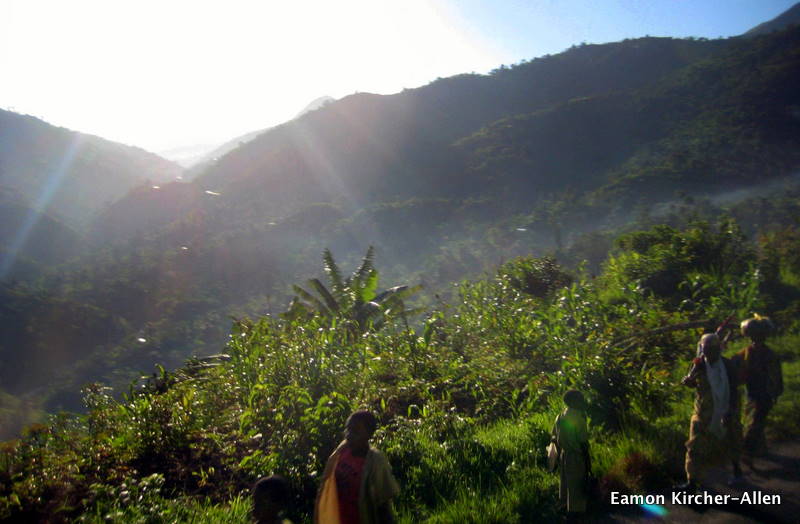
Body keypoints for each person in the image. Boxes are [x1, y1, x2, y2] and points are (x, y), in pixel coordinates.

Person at [678, 333, 742, 492]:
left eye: (712, 349)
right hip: (702, 412)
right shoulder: (698, 365)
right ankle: (692, 481)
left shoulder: (727, 366)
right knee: (694, 446)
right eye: (705, 349)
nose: (708, 353)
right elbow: (691, 382)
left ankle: (736, 471)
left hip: (725, 410)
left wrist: (731, 411)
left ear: (719, 349)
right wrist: (688, 382)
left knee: (731, 442)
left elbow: (734, 391)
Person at [314, 410, 400, 524]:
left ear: (369, 434)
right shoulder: (340, 453)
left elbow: (383, 505)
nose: (349, 435)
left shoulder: (376, 461)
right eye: (348, 429)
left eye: (355, 431)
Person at [735, 316, 783, 468]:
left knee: (755, 422)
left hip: (761, 392)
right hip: (756, 392)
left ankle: (750, 452)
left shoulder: (762, 354)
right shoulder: (752, 353)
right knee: (756, 421)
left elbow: (775, 376)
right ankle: (754, 451)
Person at [551, 389, 591, 517]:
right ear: (575, 401)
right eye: (580, 399)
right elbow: (583, 442)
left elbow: (554, 437)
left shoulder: (560, 415)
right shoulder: (579, 417)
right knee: (577, 487)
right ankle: (575, 514)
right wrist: (587, 461)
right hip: (576, 456)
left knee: (565, 484)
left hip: (564, 455)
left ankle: (564, 508)